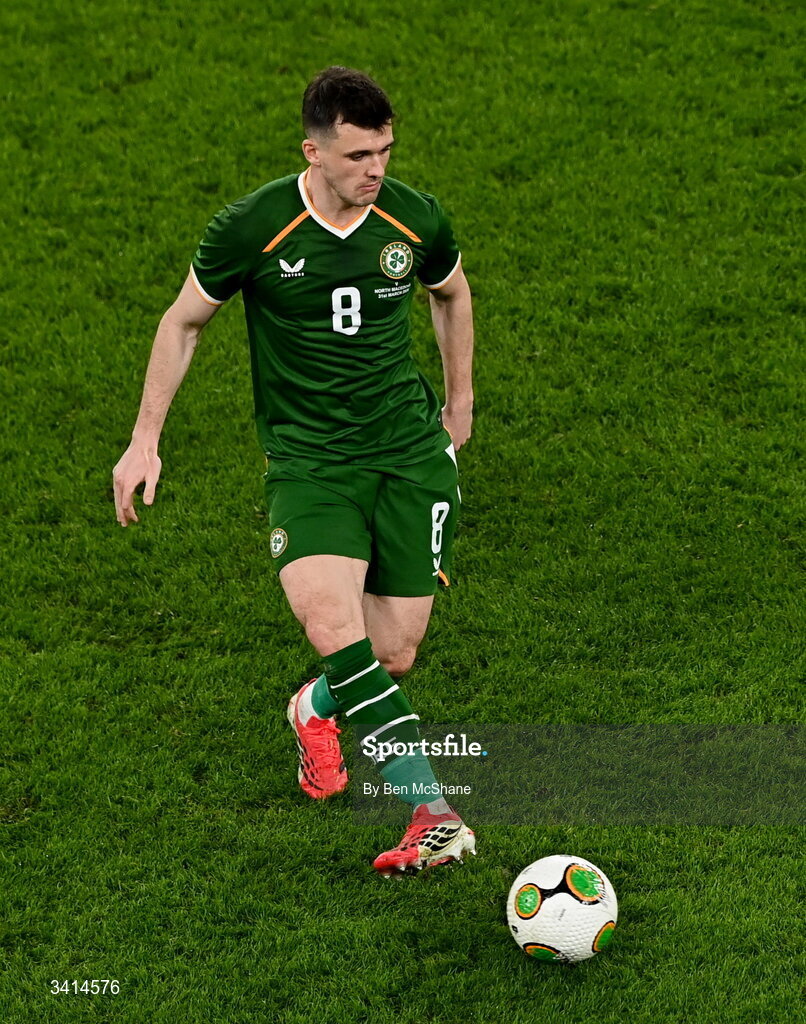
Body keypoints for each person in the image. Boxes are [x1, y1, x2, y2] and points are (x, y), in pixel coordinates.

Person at [113, 66, 476, 876]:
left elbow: (451, 295)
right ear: (312, 150)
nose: (374, 169)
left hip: (409, 457)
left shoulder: (413, 218)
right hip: (311, 465)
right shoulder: (255, 227)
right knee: (331, 625)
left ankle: (314, 708)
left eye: (383, 150)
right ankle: (430, 810)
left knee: (392, 654)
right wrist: (145, 439)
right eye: (356, 155)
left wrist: (461, 404)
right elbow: (183, 324)